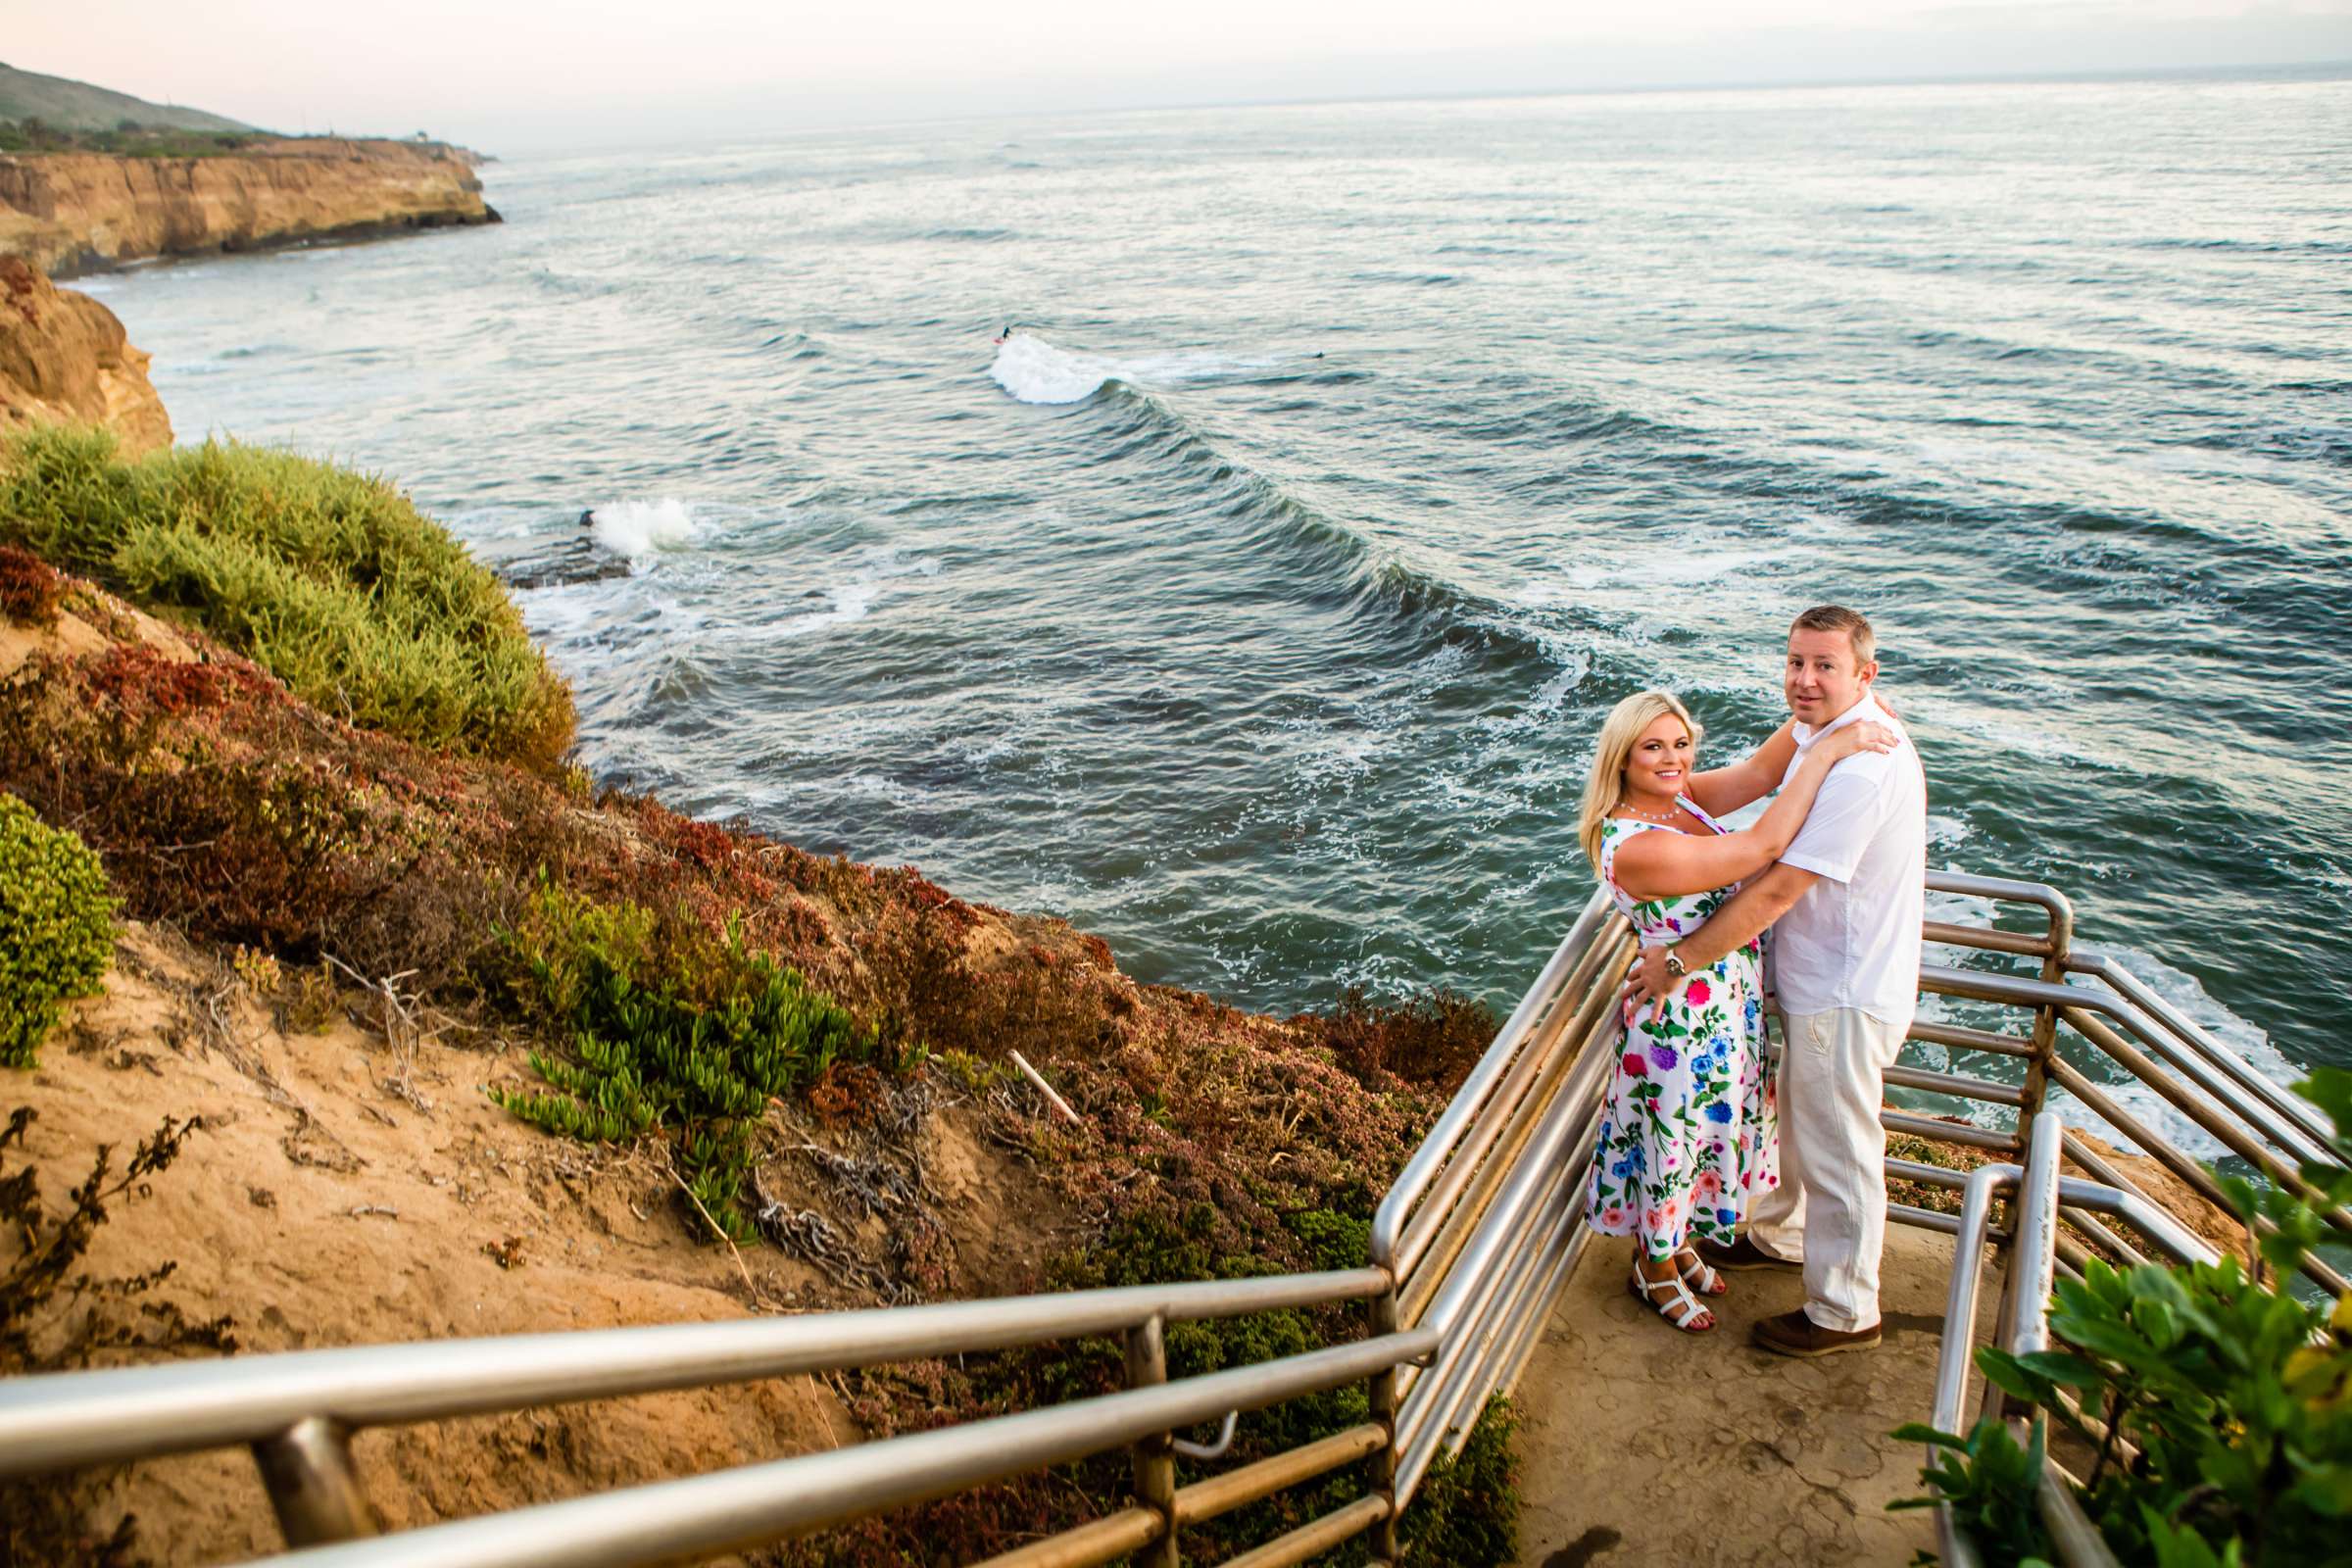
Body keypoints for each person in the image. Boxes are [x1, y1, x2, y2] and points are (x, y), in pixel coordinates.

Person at [1626, 605, 1926, 1357]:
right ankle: (1785, 1233)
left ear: (1866, 675)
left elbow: (1777, 887)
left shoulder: (1859, 765)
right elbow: (1756, 774)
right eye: (1795, 661)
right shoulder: (1820, 731)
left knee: (1839, 1147)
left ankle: (1844, 1310)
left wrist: (1679, 959)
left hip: (1844, 990)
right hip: (1816, 979)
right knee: (1803, 1123)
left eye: (1825, 666)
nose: (1803, 679)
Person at [1581, 688, 1895, 1333]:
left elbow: (1759, 772)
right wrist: (1833, 747)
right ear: (1622, 758)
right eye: (1653, 748)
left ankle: (1679, 1244)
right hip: (1675, 1024)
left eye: (1680, 744)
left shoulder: (1682, 800)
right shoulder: (1635, 843)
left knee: (1699, 1138)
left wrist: (1841, 700)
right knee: (1670, 1141)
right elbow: (1760, 849)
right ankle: (1653, 1266)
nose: (1672, 759)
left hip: (1722, 1010)